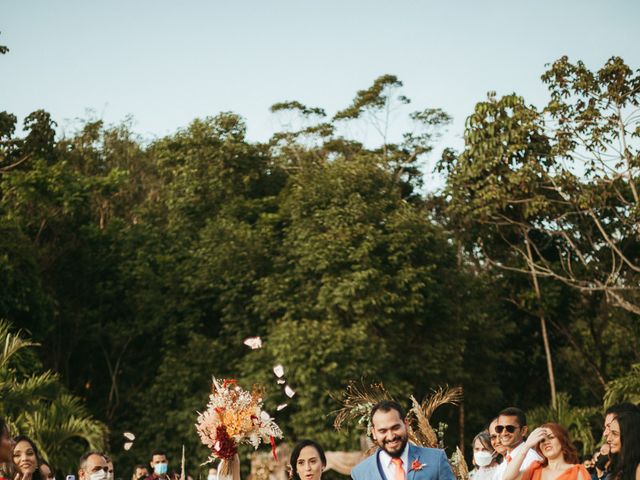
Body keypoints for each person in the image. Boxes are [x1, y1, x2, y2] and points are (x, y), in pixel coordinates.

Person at [351, 400, 455, 480]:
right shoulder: (360, 473)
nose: (391, 436)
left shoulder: (436, 460)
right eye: (383, 431)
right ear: (374, 433)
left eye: (395, 428)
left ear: (406, 424)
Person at [503, 423, 590, 480]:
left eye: (551, 437)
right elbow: (507, 478)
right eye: (542, 440)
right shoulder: (535, 469)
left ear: (562, 441)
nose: (546, 442)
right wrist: (526, 446)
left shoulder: (577, 472)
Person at [494, 407, 542, 480]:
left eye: (510, 428)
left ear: (523, 431)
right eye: (500, 428)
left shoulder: (532, 459)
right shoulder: (503, 464)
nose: (504, 433)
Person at [607, 411, 640, 480]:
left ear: (629, 437)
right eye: (610, 433)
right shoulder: (617, 468)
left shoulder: (638, 469)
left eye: (615, 434)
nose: (608, 439)